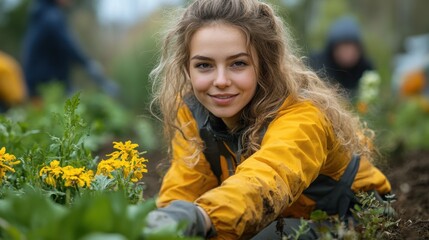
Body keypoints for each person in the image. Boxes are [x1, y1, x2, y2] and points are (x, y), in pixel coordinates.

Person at [146, 0, 391, 239]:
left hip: (350, 215)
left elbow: (267, 178)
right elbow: (186, 181)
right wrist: (167, 220)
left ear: (264, 65)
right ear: (186, 68)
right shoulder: (192, 111)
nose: (220, 80)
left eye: (238, 63)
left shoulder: (302, 117)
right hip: (272, 212)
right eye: (204, 65)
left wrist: (201, 217)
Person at [21, 0, 118, 99]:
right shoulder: (52, 18)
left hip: (37, 81)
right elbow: (69, 46)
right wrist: (89, 64)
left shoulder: (42, 13)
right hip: (46, 84)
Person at [308, 16, 374, 99]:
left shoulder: (365, 69)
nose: (348, 53)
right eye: (343, 48)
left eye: (351, 48)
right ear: (333, 49)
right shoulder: (317, 65)